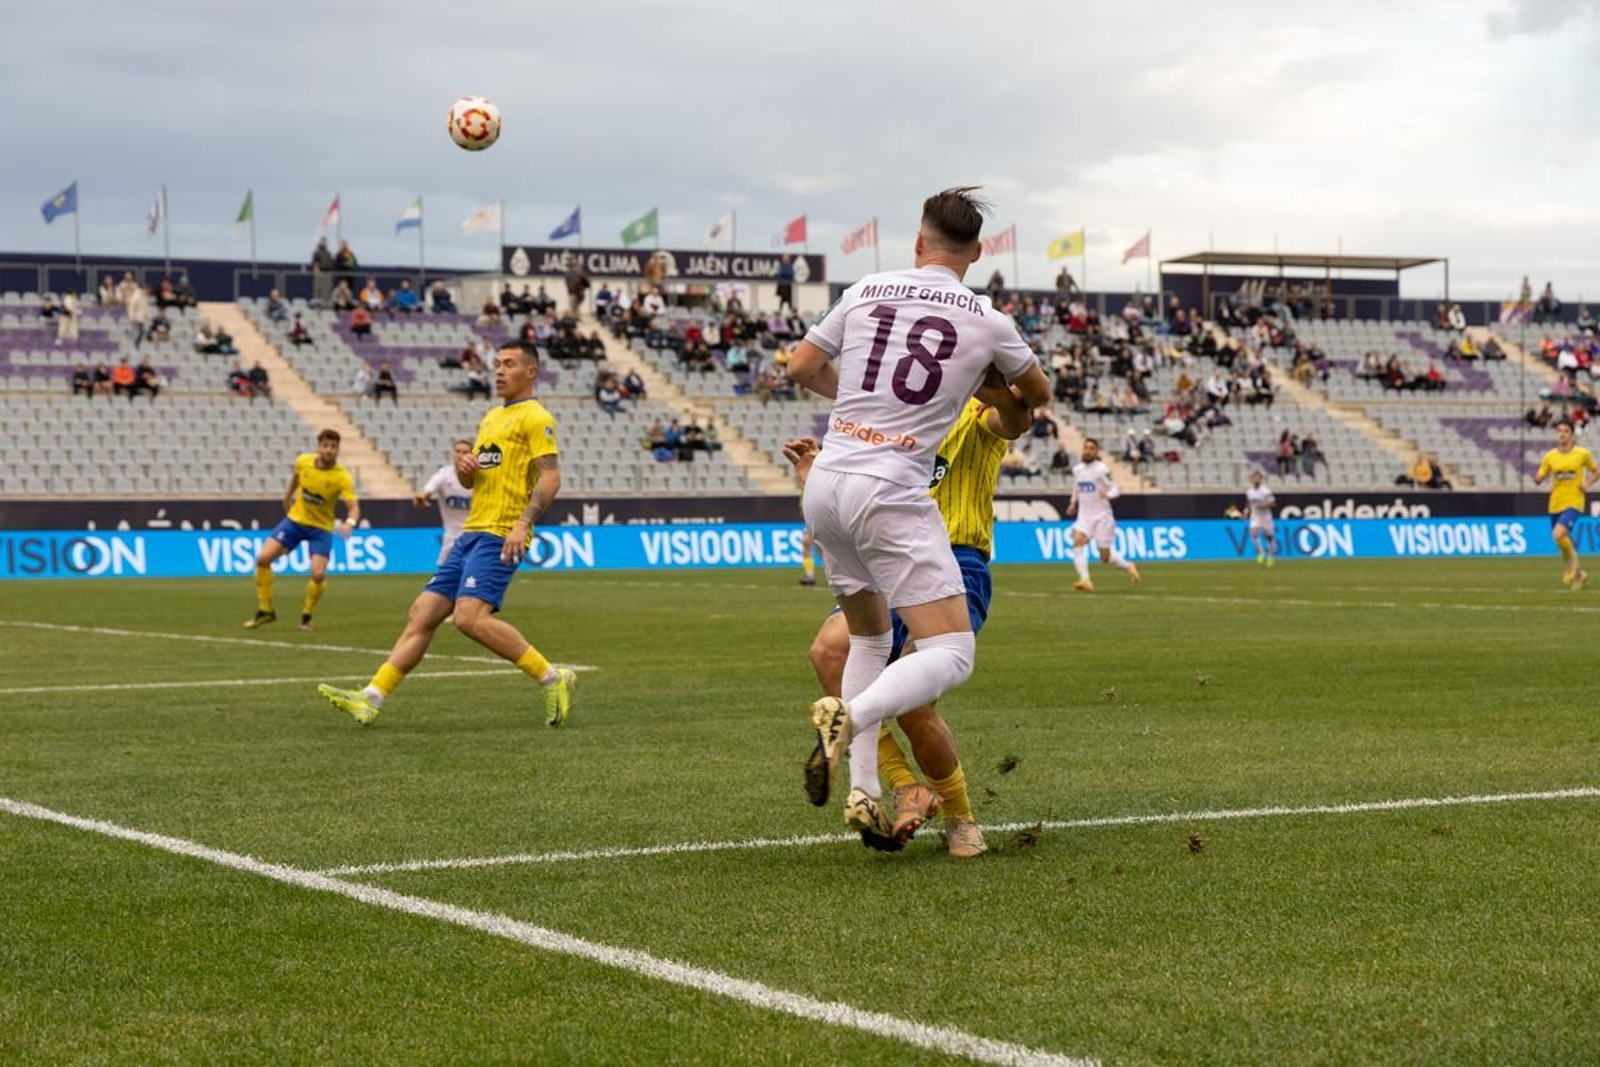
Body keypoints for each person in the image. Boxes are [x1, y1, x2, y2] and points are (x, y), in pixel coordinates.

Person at [785, 186, 1052, 839]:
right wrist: (994, 372)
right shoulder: (984, 317)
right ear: (978, 252)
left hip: (831, 478)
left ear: (917, 240)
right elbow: (1037, 394)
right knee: (950, 654)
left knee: (870, 641)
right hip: (891, 494)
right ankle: (853, 719)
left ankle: (869, 790)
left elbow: (801, 364)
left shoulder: (870, 287)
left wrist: (853, 403)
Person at [789, 386, 1031, 856]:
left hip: (956, 560)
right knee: (829, 652)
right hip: (891, 555)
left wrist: (1011, 392)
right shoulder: (889, 421)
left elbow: (1010, 421)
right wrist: (815, 475)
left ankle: (961, 818)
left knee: (914, 704)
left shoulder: (975, 413)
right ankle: (906, 787)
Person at [318, 341, 575, 727]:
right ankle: (371, 698)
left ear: (531, 372)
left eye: (509, 364)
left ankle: (553, 678)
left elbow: (551, 478)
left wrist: (523, 524)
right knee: (422, 613)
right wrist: (468, 470)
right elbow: (474, 480)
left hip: (501, 531)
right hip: (470, 533)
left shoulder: (537, 418)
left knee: (469, 618)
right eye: (497, 364)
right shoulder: (491, 418)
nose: (499, 371)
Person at [244, 429, 360, 632]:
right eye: (326, 446)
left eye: (333, 447)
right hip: (295, 522)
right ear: (319, 446)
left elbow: (354, 507)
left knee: (317, 574)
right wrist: (287, 499)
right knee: (262, 559)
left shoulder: (342, 477)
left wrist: (349, 522)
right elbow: (294, 483)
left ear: (338, 449)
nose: (329, 450)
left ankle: (306, 615)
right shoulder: (303, 462)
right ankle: (266, 610)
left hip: (321, 529)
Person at [1066, 436, 1140, 591]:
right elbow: (1076, 487)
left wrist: (1108, 495)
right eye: (1085, 448)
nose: (1087, 451)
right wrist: (1073, 503)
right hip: (1084, 516)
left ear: (1096, 451)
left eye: (1091, 448)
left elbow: (1115, 488)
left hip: (1102, 517)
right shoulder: (1078, 469)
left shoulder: (1101, 469)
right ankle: (1085, 580)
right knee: (1077, 541)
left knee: (1104, 557)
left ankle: (1128, 566)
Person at [1533, 418, 1597, 590]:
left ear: (1571, 434)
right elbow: (1540, 475)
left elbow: (1596, 471)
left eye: (1565, 431)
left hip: (1574, 501)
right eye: (1559, 431)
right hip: (1555, 503)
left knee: (1558, 533)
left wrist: (1588, 483)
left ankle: (1571, 568)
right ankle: (1580, 573)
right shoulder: (1550, 456)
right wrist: (1538, 478)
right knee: (1562, 540)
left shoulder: (1582, 454)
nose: (1561, 434)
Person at [414, 440, 475, 566]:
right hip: (452, 537)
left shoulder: (480, 478)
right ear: (452, 454)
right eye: (458, 451)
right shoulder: (443, 475)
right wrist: (421, 498)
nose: (461, 455)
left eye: (465, 452)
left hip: (475, 535)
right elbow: (426, 491)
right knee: (444, 580)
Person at [1244, 471, 1277, 565]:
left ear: (1261, 479)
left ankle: (1270, 556)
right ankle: (1260, 551)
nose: (1256, 480)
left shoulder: (1266, 491)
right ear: (1251, 479)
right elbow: (1248, 503)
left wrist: (1263, 505)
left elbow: (1273, 503)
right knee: (1253, 533)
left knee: (1268, 537)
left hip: (1266, 516)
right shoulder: (1249, 492)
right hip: (1255, 516)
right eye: (1254, 478)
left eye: (1258, 478)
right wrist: (1246, 511)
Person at [310, 238, 335, 306]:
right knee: (318, 287)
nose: (324, 243)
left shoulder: (328, 252)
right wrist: (316, 270)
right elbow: (315, 262)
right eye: (322, 242)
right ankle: (317, 301)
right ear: (320, 243)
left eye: (325, 242)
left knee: (327, 287)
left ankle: (327, 301)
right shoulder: (317, 252)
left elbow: (331, 262)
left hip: (327, 272)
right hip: (320, 271)